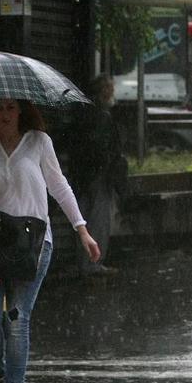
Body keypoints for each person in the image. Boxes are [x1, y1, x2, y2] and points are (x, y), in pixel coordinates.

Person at [0, 98, 101, 383]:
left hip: (33, 244)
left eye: (10, 107)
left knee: (17, 319)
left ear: (21, 110)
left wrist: (82, 229)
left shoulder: (39, 142)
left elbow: (59, 186)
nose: (5, 114)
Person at [69, 73, 127, 276]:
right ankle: (93, 263)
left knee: (83, 218)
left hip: (81, 175)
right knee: (99, 219)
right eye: (110, 89)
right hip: (98, 175)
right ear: (104, 91)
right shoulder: (102, 116)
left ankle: (84, 263)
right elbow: (103, 148)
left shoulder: (82, 113)